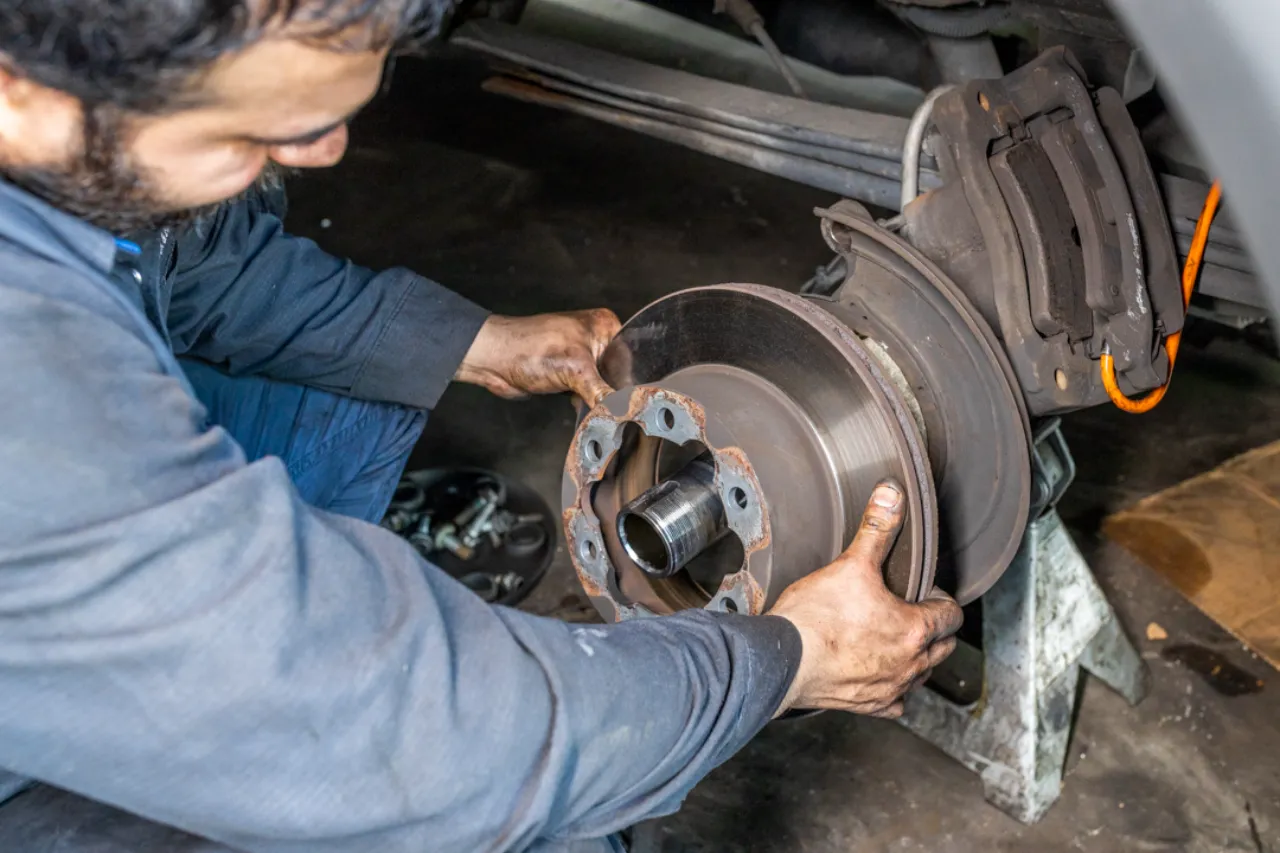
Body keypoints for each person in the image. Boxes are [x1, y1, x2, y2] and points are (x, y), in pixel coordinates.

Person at [0, 2, 964, 851]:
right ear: (23, 92)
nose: (326, 151)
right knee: (537, 818)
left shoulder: (59, 138)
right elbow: (413, 737)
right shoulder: (34, 393)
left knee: (354, 390)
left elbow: (200, 268)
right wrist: (782, 657)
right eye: (256, 130)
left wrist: (479, 341)